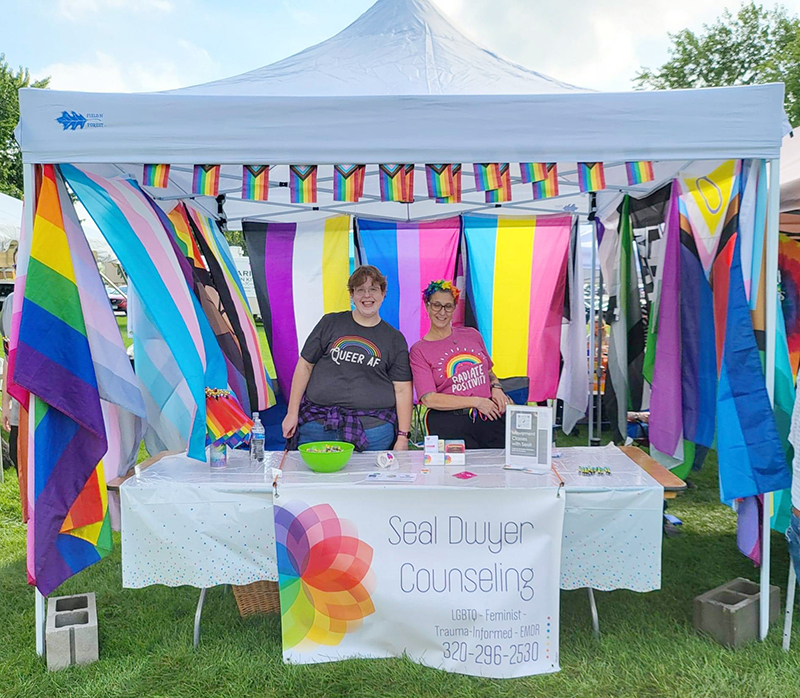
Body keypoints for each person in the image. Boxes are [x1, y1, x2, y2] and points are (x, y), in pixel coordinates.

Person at [282, 265, 413, 451]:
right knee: (312, 479)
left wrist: (403, 436)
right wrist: (292, 413)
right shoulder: (330, 323)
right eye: (360, 290)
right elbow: (304, 366)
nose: (367, 296)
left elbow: (402, 389)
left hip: (373, 431)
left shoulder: (394, 339)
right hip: (318, 425)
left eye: (373, 289)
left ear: (383, 293)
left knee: (370, 480)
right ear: (352, 295)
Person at [409, 280, 513, 449]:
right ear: (427, 307)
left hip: (490, 416)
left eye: (448, 306)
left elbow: (489, 372)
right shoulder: (419, 350)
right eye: (436, 305)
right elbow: (430, 399)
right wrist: (476, 402)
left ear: (454, 308)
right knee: (456, 474)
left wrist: (496, 387)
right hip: (451, 423)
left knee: (497, 470)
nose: (442, 312)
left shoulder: (472, 335)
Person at [1, 291, 19, 470]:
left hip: (53, 408)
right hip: (20, 412)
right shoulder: (11, 302)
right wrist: (6, 403)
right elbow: (8, 356)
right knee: (17, 455)